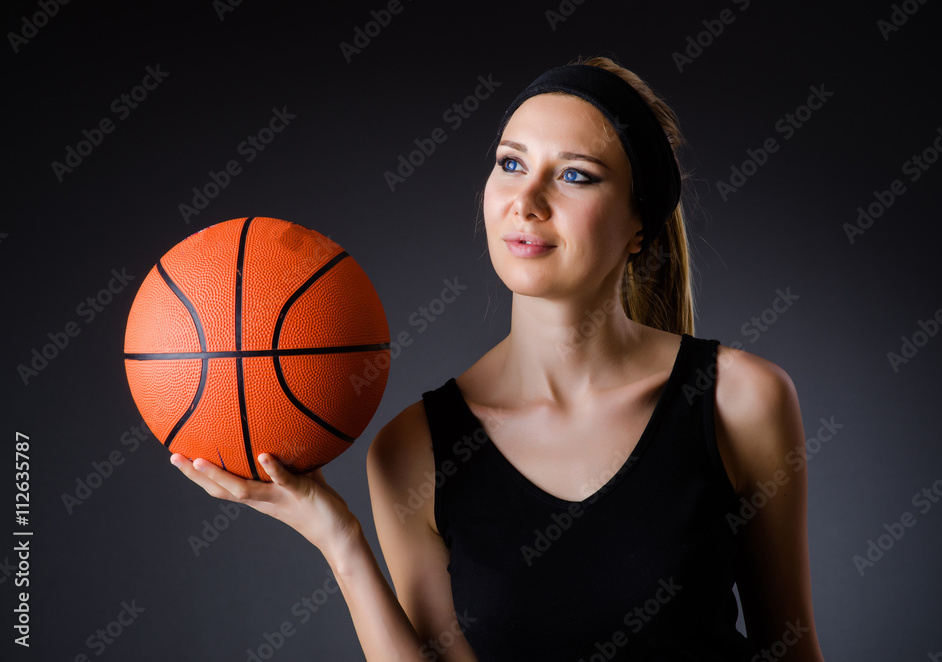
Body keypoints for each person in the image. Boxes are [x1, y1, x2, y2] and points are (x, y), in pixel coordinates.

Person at [171, 56, 826, 661]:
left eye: (575, 175)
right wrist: (335, 536)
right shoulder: (415, 448)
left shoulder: (739, 400)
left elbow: (791, 649)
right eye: (511, 162)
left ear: (639, 228)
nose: (526, 199)